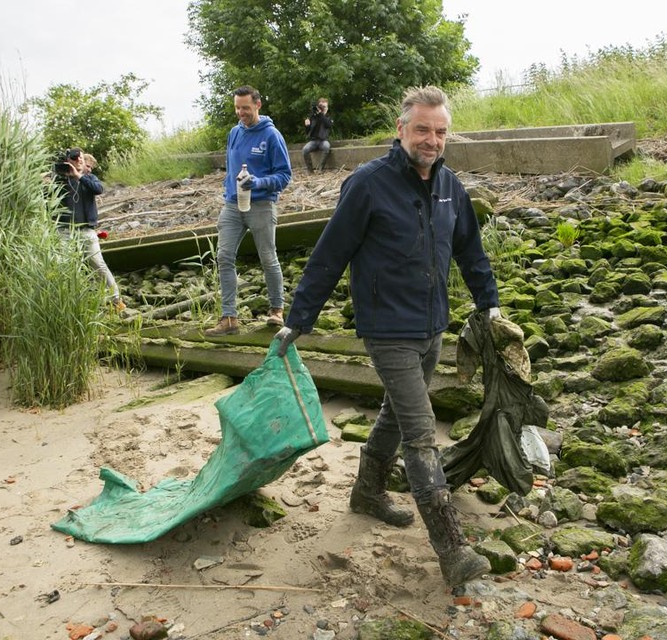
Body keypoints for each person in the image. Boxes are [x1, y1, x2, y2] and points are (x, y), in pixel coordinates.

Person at [275, 86, 501, 587]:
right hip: (386, 328)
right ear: (401, 131)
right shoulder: (368, 184)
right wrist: (300, 317)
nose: (432, 140)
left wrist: (491, 306)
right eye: (422, 129)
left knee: (396, 415)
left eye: (441, 132)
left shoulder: (451, 188)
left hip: (431, 325)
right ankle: (452, 549)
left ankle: (367, 492)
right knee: (422, 433)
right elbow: (330, 254)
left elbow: (470, 251)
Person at [205, 86, 292, 336]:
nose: (240, 112)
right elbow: (231, 168)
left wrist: (259, 182)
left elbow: (285, 175)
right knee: (224, 257)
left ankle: (277, 310)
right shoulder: (234, 132)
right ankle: (229, 318)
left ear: (257, 105)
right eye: (237, 107)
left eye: (245, 107)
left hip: (261, 205)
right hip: (233, 205)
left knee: (268, 257)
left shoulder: (272, 136)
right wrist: (228, 190)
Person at [54, 147, 125, 312]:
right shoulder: (59, 181)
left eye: (81, 158)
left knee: (98, 264)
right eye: (74, 157)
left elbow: (98, 189)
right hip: (64, 230)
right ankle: (67, 302)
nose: (78, 160)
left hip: (86, 230)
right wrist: (59, 177)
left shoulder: (89, 178)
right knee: (63, 264)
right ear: (68, 160)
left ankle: (116, 300)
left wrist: (78, 176)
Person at [301, 97, 332, 173]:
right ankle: (310, 170)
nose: (323, 108)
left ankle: (320, 169)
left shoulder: (328, 117)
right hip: (313, 141)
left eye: (325, 107)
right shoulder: (313, 117)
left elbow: (328, 125)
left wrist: (321, 114)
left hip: (323, 141)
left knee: (326, 147)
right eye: (322, 106)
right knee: (305, 150)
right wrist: (307, 126)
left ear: (327, 108)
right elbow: (308, 132)